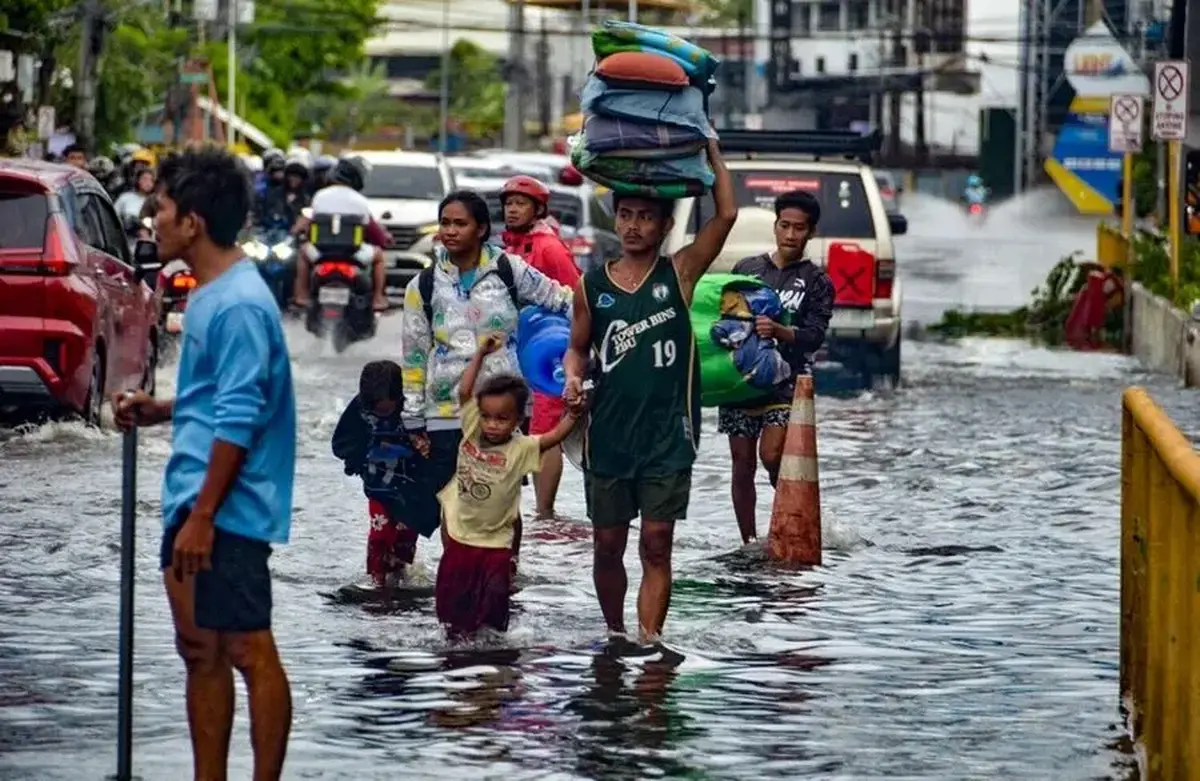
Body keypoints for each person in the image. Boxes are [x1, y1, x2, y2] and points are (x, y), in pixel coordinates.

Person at [110, 146, 295, 781]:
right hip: (196, 496)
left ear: (192, 221)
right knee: (199, 650)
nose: (151, 222)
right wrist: (162, 409)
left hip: (226, 508)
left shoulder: (239, 302)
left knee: (246, 648)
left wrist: (205, 517)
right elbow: (219, 398)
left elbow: (241, 418)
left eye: (159, 210)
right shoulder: (214, 294)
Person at [562, 136, 737, 644]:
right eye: (626, 215)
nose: (634, 225)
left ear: (664, 226)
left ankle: (649, 640)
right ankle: (615, 635)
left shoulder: (679, 274)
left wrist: (713, 154)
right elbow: (577, 349)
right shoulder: (590, 286)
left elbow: (724, 216)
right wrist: (573, 378)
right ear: (615, 220)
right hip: (610, 437)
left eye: (646, 217)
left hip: (668, 435)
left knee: (658, 545)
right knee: (607, 547)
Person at [400, 191, 574, 574]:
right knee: (455, 499)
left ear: (481, 229)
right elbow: (413, 358)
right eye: (445, 223)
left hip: (505, 411)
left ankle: (504, 576)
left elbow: (565, 300)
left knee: (503, 497)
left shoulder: (509, 270)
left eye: (459, 223)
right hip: (446, 412)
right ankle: (459, 575)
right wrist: (413, 418)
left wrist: (582, 348)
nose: (450, 231)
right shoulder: (424, 286)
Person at [435, 334, 580, 638]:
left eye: (502, 419)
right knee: (452, 613)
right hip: (461, 538)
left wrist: (575, 413)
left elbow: (553, 438)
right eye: (487, 417)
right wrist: (480, 355)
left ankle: (495, 662)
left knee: (495, 609)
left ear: (517, 420)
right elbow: (464, 391)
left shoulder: (522, 447)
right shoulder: (472, 429)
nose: (492, 424)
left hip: (497, 545)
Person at [718, 190, 834, 546]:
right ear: (775, 225)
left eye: (799, 228)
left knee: (771, 455)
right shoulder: (748, 269)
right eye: (784, 225)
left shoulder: (817, 281)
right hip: (741, 382)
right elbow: (725, 317)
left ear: (810, 232)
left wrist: (782, 331)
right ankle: (749, 541)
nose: (790, 234)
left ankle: (795, 514)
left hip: (787, 386)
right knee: (741, 465)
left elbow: (815, 335)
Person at [498, 174, 581, 519]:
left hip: (549, 353)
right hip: (518, 351)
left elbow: (576, 295)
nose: (512, 210)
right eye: (508, 204)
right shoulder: (510, 246)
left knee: (545, 432)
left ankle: (545, 513)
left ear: (538, 209)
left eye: (520, 204)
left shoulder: (548, 246)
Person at [332, 360, 438, 588]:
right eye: (377, 410)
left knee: (405, 536)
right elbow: (343, 440)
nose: (383, 414)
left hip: (413, 488)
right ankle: (377, 579)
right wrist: (358, 461)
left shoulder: (415, 407)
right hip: (379, 486)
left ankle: (399, 576)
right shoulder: (359, 409)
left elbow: (433, 443)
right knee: (380, 533)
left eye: (388, 409)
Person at [292, 155, 391, 312]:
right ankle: (378, 297)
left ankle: (301, 294)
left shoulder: (320, 196)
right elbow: (373, 231)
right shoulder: (360, 201)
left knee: (303, 254)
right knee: (378, 257)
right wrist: (384, 240)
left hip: (321, 253)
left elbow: (309, 226)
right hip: (353, 254)